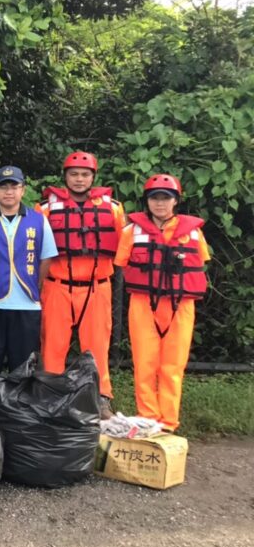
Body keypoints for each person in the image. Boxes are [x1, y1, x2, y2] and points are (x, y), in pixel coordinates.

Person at [114, 174, 209, 432]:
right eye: (154, 198)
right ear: (147, 201)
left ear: (176, 201)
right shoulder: (131, 231)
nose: (159, 203)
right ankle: (147, 418)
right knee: (144, 363)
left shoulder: (193, 233)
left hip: (180, 305)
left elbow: (201, 262)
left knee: (173, 365)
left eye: (165, 198)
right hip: (143, 303)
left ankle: (168, 423)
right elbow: (121, 261)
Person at [37, 152, 125, 419]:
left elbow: (125, 246)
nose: (79, 179)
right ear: (64, 177)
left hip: (96, 286)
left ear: (93, 178)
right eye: (73, 174)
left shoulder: (113, 208)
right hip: (57, 285)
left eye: (84, 174)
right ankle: (49, 397)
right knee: (52, 345)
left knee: (97, 345)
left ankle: (100, 398)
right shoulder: (44, 209)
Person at [0, 166, 57, 390]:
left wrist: (33, 285)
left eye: (14, 186)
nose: (9, 192)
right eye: (3, 186)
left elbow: (46, 259)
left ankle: (21, 414)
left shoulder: (39, 220)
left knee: (24, 366)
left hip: (26, 302)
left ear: (23, 190)